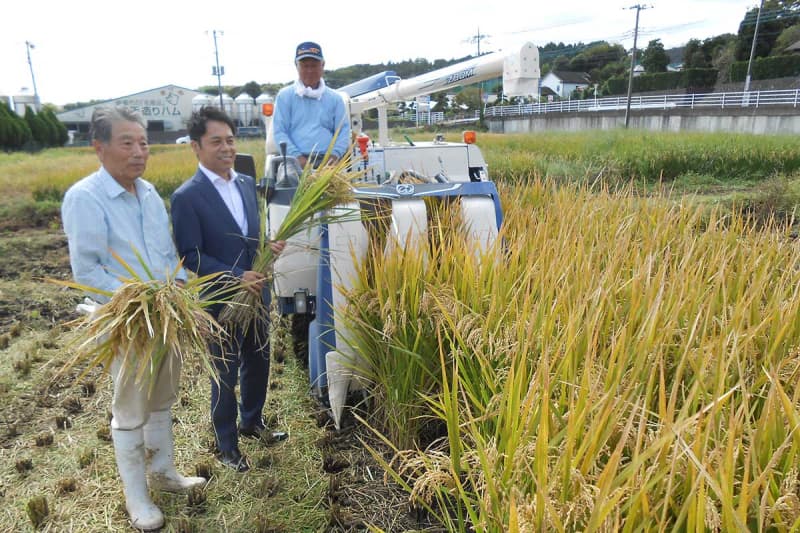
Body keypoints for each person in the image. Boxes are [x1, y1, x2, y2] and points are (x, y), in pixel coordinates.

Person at [61, 105, 205, 531]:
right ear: (99, 148)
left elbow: (165, 256)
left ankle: (164, 474)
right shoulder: (84, 198)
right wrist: (142, 301)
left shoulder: (148, 195)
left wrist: (179, 288)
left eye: (143, 142)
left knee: (162, 396)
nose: (139, 151)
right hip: (125, 322)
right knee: (130, 409)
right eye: (128, 142)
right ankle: (137, 498)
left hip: (166, 316)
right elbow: (87, 273)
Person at [170, 106, 288, 474]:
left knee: (259, 361)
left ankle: (252, 421)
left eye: (231, 140)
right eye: (216, 141)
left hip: (256, 296)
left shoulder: (244, 183)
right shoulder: (186, 196)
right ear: (196, 146)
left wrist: (268, 248)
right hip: (220, 300)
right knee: (224, 372)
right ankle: (227, 445)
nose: (226, 148)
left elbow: (247, 238)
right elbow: (190, 255)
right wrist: (236, 276)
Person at [272, 41, 351, 169]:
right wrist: (298, 158)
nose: (309, 70)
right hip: (294, 161)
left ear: (323, 65)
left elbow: (343, 131)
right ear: (296, 66)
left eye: (314, 65)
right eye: (305, 66)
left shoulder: (335, 99)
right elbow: (280, 132)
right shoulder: (285, 96)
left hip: (328, 162)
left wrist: (334, 156)